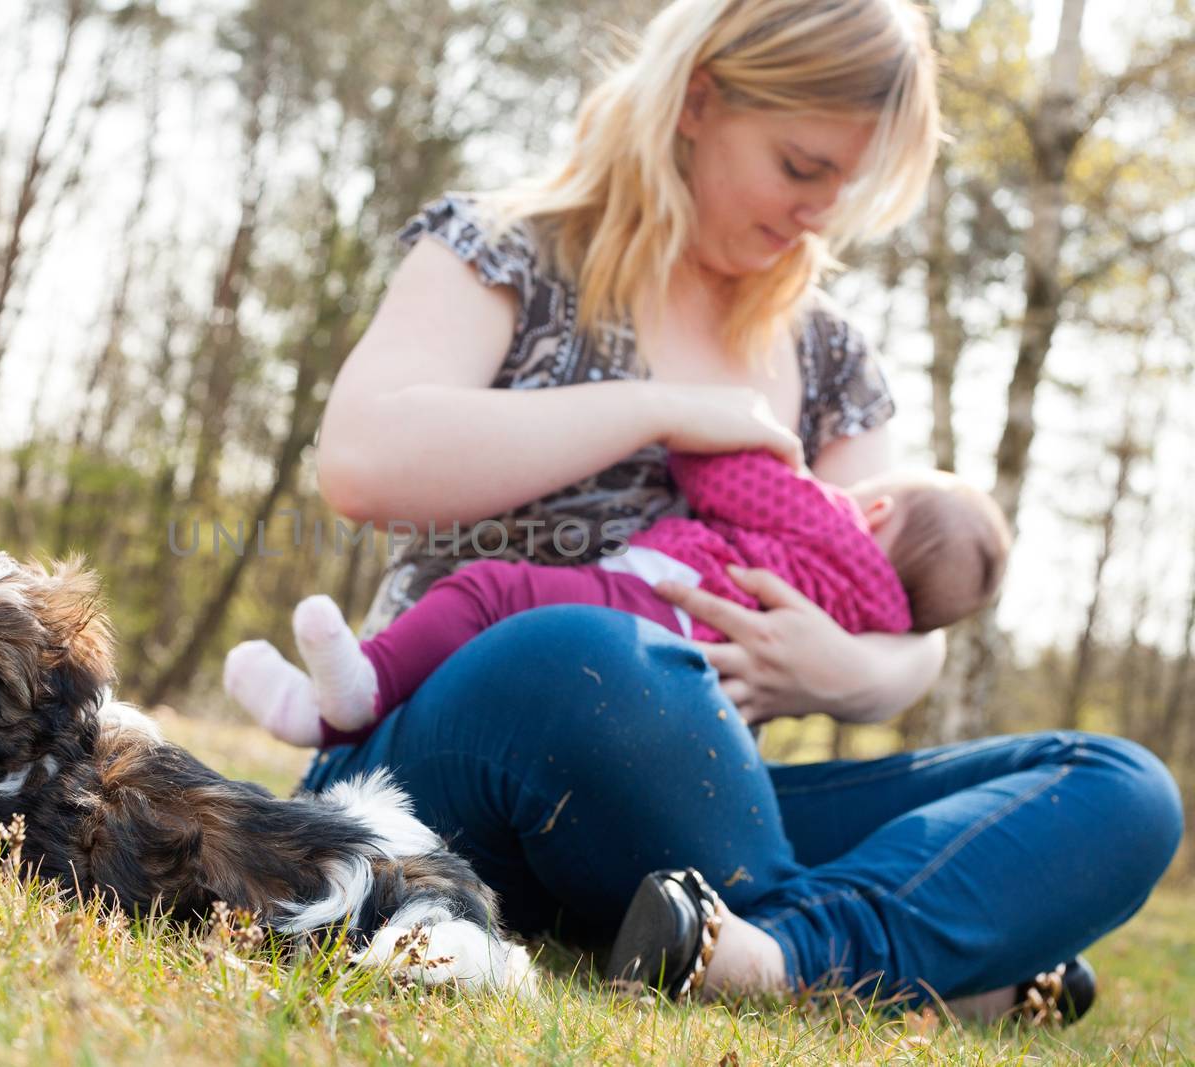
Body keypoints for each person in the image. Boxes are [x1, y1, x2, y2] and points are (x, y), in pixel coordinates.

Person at [288, 0, 1182, 1021]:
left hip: (688, 807)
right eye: (802, 167)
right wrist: (663, 407)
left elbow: (901, 629)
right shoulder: (501, 249)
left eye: (848, 184)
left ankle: (771, 951)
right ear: (698, 99)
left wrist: (845, 672)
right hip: (445, 753)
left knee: (1116, 782)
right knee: (588, 655)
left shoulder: (829, 357)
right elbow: (361, 461)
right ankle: (915, 957)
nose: (821, 211)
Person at [227, 452, 1012, 748]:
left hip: (651, 602)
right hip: (692, 701)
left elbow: (724, 477)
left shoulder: (832, 520)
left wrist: (714, 428)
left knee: (488, 589)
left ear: (873, 512)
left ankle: (349, 696)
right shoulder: (876, 618)